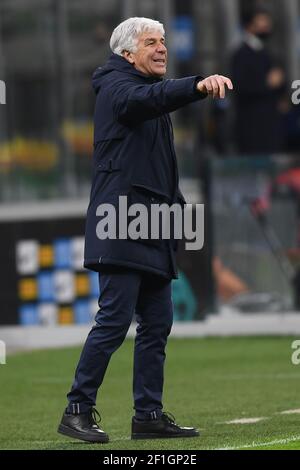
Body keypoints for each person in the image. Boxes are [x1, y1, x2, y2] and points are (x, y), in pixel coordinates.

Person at [57, 17, 233, 443]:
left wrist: (179, 218)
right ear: (127, 53)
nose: (161, 49)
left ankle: (148, 416)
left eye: (164, 42)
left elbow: (159, 168)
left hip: (152, 227)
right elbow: (143, 102)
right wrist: (194, 86)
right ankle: (76, 410)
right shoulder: (117, 87)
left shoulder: (146, 93)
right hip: (119, 223)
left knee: (157, 324)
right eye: (151, 42)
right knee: (115, 321)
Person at [231, 8, 286, 155]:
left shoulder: (268, 52)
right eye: (261, 24)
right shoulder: (242, 54)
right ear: (250, 26)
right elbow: (241, 86)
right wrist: (267, 83)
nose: (266, 28)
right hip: (252, 125)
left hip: (270, 123)